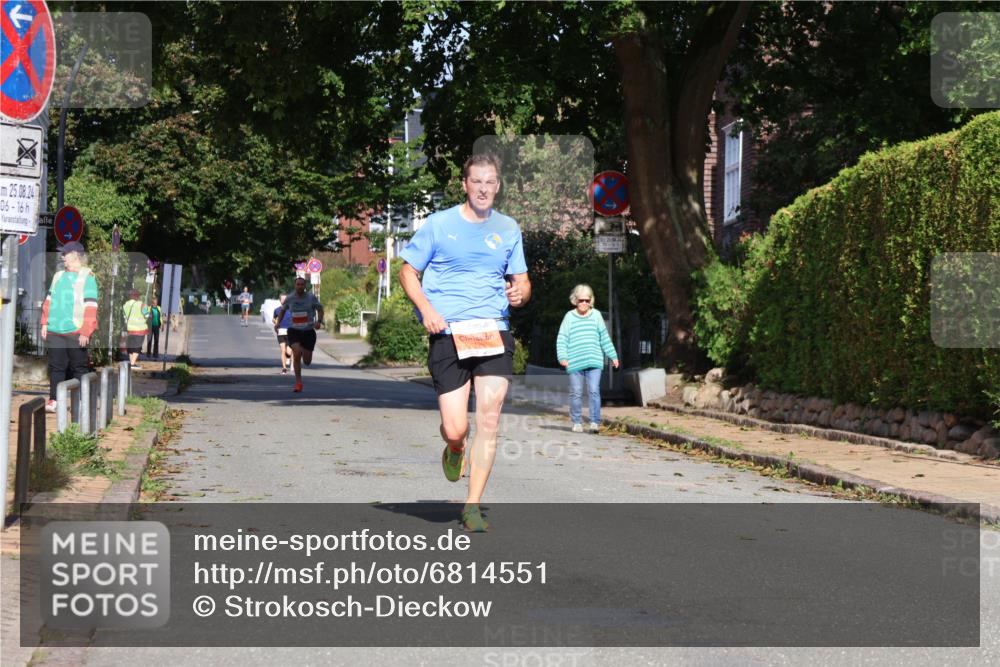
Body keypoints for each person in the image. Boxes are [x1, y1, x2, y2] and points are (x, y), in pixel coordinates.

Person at [399, 154, 531, 532]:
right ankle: (455, 449)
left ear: (498, 186)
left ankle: (472, 505)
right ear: (465, 184)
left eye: (491, 182)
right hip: (448, 333)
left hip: (493, 331)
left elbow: (521, 279)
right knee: (457, 428)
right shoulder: (439, 225)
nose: (484, 189)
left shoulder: (508, 228)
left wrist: (521, 292)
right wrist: (426, 309)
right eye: (477, 182)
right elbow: (409, 271)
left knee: (488, 421)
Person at [40, 242, 99, 413]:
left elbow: (90, 307)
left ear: (75, 255)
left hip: (76, 331)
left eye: (64, 254)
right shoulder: (58, 276)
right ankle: (54, 400)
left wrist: (86, 331)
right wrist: (45, 323)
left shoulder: (88, 277)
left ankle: (81, 402)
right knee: (56, 368)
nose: (62, 257)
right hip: (55, 330)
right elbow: (48, 301)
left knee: (78, 369)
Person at [556, 284, 619, 433]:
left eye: (587, 300)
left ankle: (594, 422)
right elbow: (562, 338)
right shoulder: (569, 317)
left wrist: (613, 356)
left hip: (594, 361)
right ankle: (577, 421)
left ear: (591, 301)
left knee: (594, 390)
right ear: (575, 300)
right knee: (576, 392)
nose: (584, 303)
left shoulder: (596, 315)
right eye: (581, 300)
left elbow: (604, 338)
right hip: (574, 362)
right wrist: (563, 357)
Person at [273, 277, 324, 392]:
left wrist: (319, 321)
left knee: (307, 361)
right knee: (296, 353)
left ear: (305, 286)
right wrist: (278, 323)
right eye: (298, 284)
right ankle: (298, 382)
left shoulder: (311, 297)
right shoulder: (290, 298)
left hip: (308, 331)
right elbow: (282, 311)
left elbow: (320, 309)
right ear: (295, 286)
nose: (300, 286)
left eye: (302, 284)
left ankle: (304, 352)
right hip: (294, 330)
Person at [122, 289, 150, 369]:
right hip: (139, 329)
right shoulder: (141, 305)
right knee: (137, 347)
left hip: (129, 329)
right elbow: (147, 315)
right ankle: (133, 364)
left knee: (131, 347)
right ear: (137, 296)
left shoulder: (125, 305)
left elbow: (124, 317)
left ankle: (131, 363)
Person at [272, 293, 294, 375]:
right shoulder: (277, 310)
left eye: (285, 299)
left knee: (288, 352)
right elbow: (273, 319)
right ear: (280, 300)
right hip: (280, 332)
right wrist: (275, 322)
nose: (284, 300)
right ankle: (284, 368)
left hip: (290, 332)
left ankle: (290, 360)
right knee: (282, 350)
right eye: (282, 299)